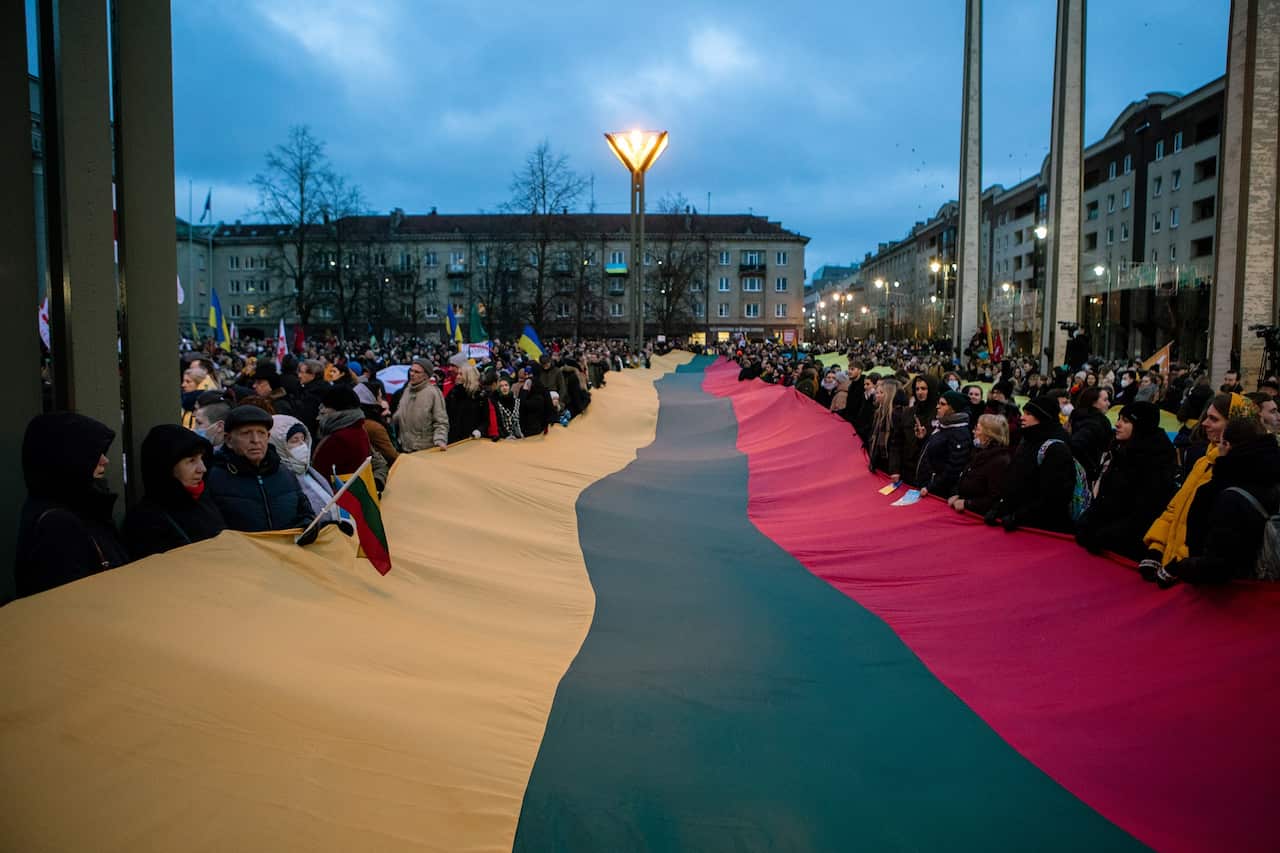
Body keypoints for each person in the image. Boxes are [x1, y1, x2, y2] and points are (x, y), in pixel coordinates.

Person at [1152, 416, 1280, 587]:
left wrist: (1179, 567)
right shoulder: (1269, 478)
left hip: (1226, 596)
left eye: (1221, 442)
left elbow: (1217, 565)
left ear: (1227, 445)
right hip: (1262, 594)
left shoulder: (1228, 494)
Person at [14, 413, 131, 599]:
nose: (105, 460)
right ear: (66, 457)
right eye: (92, 452)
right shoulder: (58, 524)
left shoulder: (80, 508)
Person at [1139, 393, 1254, 578]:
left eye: (1214, 419)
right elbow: (1175, 508)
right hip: (1174, 565)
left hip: (1197, 576)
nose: (1204, 423)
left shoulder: (1239, 468)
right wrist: (1156, 548)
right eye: (1207, 416)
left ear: (1234, 425)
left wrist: (1183, 565)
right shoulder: (1202, 461)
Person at [1075, 402, 1178, 561]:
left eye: (1126, 420)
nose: (1117, 424)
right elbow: (1105, 498)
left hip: (1127, 549)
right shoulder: (1120, 449)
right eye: (1119, 418)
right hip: (1104, 541)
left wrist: (1102, 535)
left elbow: (1144, 513)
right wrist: (1087, 522)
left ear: (1140, 425)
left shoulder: (1156, 460)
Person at [121, 424, 226, 559]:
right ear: (166, 467)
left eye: (202, 458)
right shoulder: (145, 521)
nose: (202, 468)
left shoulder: (203, 501)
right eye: (191, 461)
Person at [205, 405, 315, 532]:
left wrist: (307, 526)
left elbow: (305, 512)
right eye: (246, 433)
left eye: (261, 433)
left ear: (268, 437)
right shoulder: (213, 478)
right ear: (229, 440)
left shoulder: (284, 473)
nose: (256, 440)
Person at [984, 396, 1076, 533]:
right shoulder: (1029, 438)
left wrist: (1018, 517)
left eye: (1029, 414)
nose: (1022, 417)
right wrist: (999, 508)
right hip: (1017, 523)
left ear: (1042, 417)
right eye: (1024, 412)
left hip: (1040, 529)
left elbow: (1053, 497)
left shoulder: (1056, 447)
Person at [949, 414, 1012, 516]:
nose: (973, 432)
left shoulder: (1000, 461)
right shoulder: (979, 453)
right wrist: (958, 495)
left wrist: (967, 503)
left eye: (977, 429)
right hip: (964, 513)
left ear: (988, 436)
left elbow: (994, 498)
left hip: (978, 519)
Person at [914, 390, 973, 498]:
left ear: (954, 408)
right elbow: (936, 453)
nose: (937, 407)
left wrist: (930, 487)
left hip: (937, 493)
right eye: (938, 403)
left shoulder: (960, 433)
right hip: (926, 486)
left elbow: (953, 469)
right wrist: (923, 439)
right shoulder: (944, 425)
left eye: (942, 404)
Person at [313, 386, 377, 481]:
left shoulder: (339, 439)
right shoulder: (357, 429)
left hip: (338, 492)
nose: (322, 411)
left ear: (335, 409)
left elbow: (322, 474)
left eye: (325, 407)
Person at [392, 359, 450, 451]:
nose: (412, 374)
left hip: (424, 450)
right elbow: (400, 413)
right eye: (411, 370)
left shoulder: (434, 393)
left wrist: (440, 440)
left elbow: (441, 422)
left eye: (417, 372)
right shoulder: (407, 390)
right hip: (404, 449)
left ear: (426, 376)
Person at [1067, 387, 1113, 483]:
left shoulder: (1082, 417)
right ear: (1093, 402)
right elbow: (1076, 445)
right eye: (1105, 400)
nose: (1108, 404)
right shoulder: (1094, 424)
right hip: (1083, 477)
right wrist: (1092, 469)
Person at [446, 363, 494, 443]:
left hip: (471, 439)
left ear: (469, 376)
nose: (457, 377)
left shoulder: (480, 396)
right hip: (452, 439)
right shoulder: (453, 393)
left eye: (461, 374)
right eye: (458, 374)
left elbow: (485, 420)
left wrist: (478, 431)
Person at [491, 375, 523, 439]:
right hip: (504, 438)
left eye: (506, 385)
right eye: (501, 386)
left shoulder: (517, 401)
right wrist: (506, 435)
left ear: (510, 387)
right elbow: (498, 423)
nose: (504, 388)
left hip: (519, 437)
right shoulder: (496, 403)